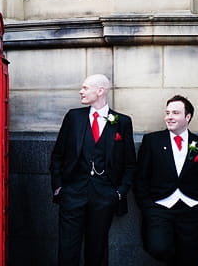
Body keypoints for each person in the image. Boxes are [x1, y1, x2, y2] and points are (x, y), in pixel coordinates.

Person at [50, 74, 136, 266]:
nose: (81, 91)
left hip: (104, 195)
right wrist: (59, 188)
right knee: (67, 251)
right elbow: (57, 155)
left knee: (97, 252)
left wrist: (119, 193)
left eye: (85, 88)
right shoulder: (74, 117)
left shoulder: (122, 122)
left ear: (100, 91)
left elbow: (130, 163)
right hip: (73, 193)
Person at [134, 95, 198, 266]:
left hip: (192, 212)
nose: (169, 117)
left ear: (187, 117)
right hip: (160, 210)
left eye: (175, 113)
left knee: (190, 258)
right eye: (167, 113)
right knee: (160, 248)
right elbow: (140, 179)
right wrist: (149, 208)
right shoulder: (152, 141)